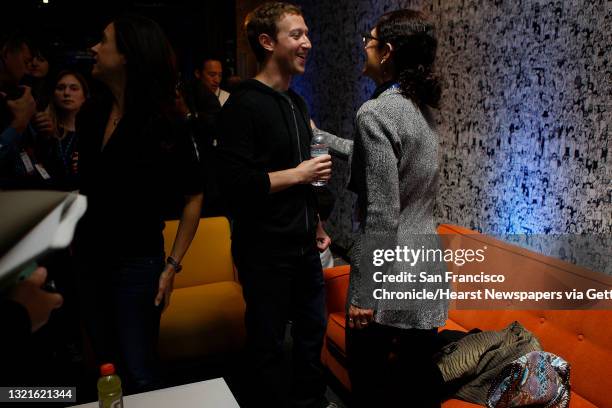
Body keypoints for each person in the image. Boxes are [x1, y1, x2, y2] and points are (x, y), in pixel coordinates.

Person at [75, 15, 202, 393]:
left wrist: (172, 267)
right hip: (89, 260)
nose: (93, 49)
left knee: (140, 371)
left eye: (103, 41)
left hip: (137, 265)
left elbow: (194, 195)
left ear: (127, 55)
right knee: (105, 368)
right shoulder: (91, 115)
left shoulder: (165, 122)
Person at [215, 2, 333, 407]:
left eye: (306, 34)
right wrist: (299, 173)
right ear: (267, 42)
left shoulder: (297, 104)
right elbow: (234, 186)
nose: (307, 43)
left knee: (310, 337)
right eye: (296, 35)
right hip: (265, 251)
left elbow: (307, 178)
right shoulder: (243, 106)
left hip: (304, 248)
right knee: (267, 346)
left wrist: (318, 223)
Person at [345, 9, 448, 408]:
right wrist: (327, 141)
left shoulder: (375, 112)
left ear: (386, 52)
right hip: (425, 263)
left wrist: (364, 293)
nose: (365, 50)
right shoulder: (419, 108)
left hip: (391, 270)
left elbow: (384, 212)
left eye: (368, 43)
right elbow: (390, 168)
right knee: (415, 387)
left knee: (372, 391)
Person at [33, 70, 88, 190]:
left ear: (84, 97)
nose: (66, 93)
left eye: (74, 88)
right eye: (60, 88)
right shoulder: (43, 128)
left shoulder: (91, 133)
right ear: (53, 95)